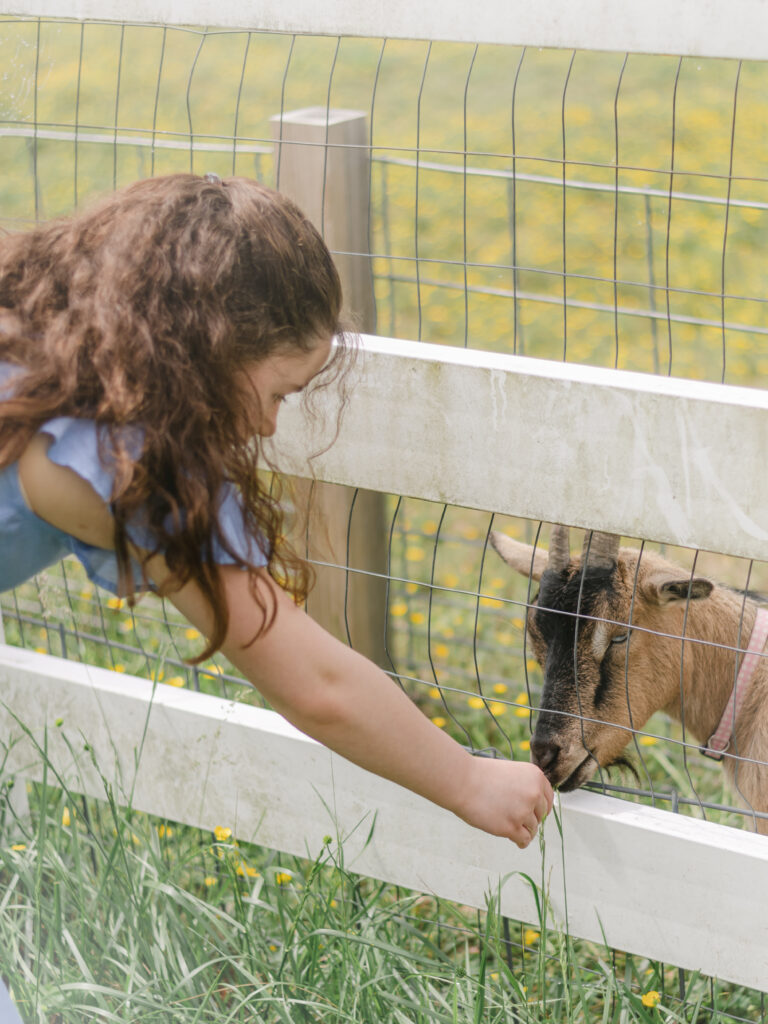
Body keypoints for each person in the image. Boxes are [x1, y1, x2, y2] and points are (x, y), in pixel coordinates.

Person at [0, 173, 554, 854]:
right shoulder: (126, 461)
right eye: (278, 393)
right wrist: (469, 781)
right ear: (206, 349)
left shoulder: (35, 318)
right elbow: (317, 686)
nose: (265, 426)